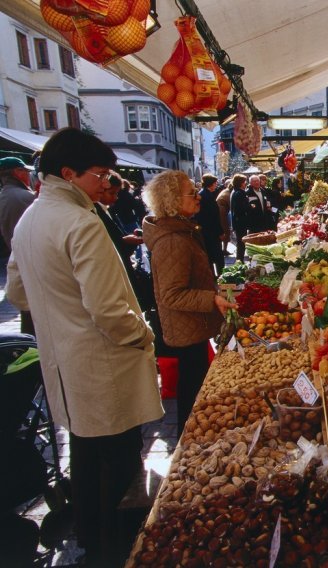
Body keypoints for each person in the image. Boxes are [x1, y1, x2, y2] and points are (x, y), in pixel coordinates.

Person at [5, 127, 164, 566]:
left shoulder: (30, 220)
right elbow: (110, 311)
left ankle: (91, 541)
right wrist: (143, 334)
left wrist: (57, 309)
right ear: (69, 173)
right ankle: (119, 547)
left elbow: (18, 294)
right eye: (100, 174)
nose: (106, 183)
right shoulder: (80, 223)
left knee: (86, 455)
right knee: (117, 462)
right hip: (103, 362)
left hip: (64, 363)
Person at [141, 170, 236, 434]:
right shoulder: (172, 240)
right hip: (187, 327)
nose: (199, 198)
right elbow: (171, 294)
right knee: (192, 386)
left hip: (192, 324)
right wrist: (212, 298)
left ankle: (192, 433)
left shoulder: (181, 231)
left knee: (194, 381)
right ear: (171, 200)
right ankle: (190, 439)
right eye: (191, 193)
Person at [95, 172, 154, 312]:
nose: (115, 198)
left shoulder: (104, 210)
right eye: (112, 193)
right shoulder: (96, 212)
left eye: (117, 193)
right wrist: (125, 242)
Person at [0, 157, 36, 252]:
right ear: (17, 172)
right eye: (26, 171)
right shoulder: (27, 196)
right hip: (31, 252)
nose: (29, 174)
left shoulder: (4, 195)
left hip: (15, 253)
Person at [193, 173, 224, 276]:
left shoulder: (205, 194)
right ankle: (219, 275)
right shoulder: (205, 196)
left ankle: (216, 275)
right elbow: (212, 216)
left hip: (208, 230)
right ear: (211, 184)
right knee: (215, 255)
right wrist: (220, 231)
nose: (216, 185)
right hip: (210, 231)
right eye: (215, 183)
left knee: (212, 255)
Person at [229, 173, 249, 262]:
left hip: (238, 221)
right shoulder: (240, 193)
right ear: (241, 183)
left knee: (240, 243)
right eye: (245, 182)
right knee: (241, 243)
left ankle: (239, 260)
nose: (246, 183)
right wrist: (250, 206)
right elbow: (240, 208)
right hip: (241, 222)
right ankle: (239, 261)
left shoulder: (235, 191)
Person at [216, 178, 233, 256]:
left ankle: (223, 249)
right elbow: (232, 205)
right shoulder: (228, 193)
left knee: (224, 230)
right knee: (225, 230)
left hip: (221, 211)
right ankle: (223, 250)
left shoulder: (225, 191)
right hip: (221, 212)